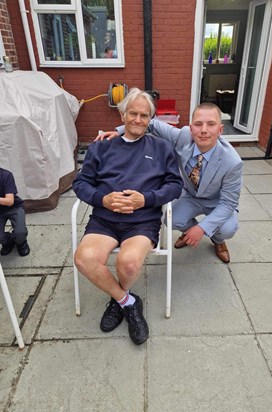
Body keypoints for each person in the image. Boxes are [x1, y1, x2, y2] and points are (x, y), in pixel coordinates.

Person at [72, 88, 183, 345]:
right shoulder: (101, 147)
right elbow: (82, 184)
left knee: (129, 263)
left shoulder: (162, 148)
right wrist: (104, 200)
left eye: (144, 115)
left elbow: (175, 185)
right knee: (84, 259)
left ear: (150, 120)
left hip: (143, 220)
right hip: (104, 220)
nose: (137, 119)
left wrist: (146, 199)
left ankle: (116, 298)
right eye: (132, 113)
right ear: (122, 114)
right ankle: (127, 301)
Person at [96, 102, 243, 264]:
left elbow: (229, 203)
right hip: (190, 194)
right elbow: (152, 124)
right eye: (198, 124)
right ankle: (189, 232)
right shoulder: (183, 136)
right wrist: (121, 132)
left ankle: (218, 240)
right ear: (191, 127)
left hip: (217, 202)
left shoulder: (232, 162)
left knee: (227, 229)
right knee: (171, 219)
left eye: (211, 124)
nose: (203, 130)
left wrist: (202, 228)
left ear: (220, 129)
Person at [0, 167, 30, 257]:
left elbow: (10, 201)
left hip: (14, 207)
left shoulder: (5, 175)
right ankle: (7, 241)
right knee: (1, 237)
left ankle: (21, 242)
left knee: (20, 232)